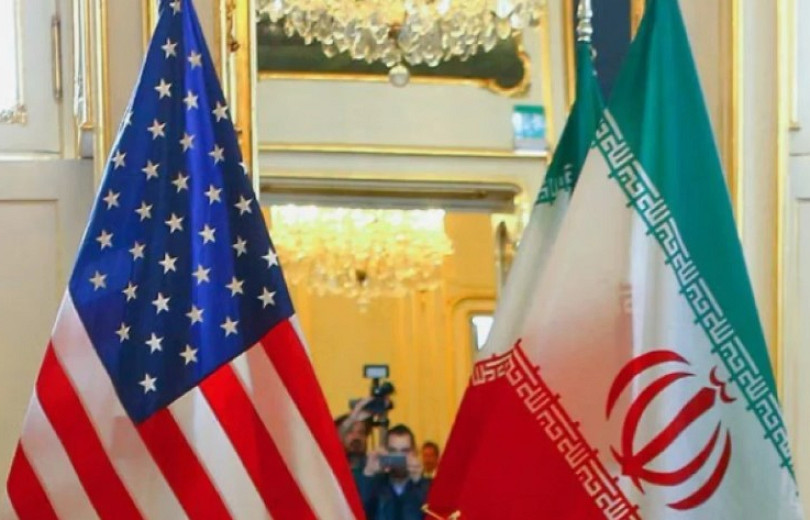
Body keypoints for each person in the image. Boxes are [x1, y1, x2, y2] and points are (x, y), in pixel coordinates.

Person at [357, 424, 431, 520]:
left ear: (414, 452)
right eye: (393, 451)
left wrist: (419, 483)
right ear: (384, 452)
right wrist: (368, 473)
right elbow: (357, 512)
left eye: (405, 451)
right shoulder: (374, 485)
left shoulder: (427, 486)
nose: (399, 456)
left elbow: (434, 514)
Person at [335, 397, 374, 472]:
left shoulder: (372, 468)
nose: (356, 437)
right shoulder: (328, 467)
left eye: (361, 432)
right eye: (349, 432)